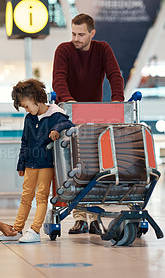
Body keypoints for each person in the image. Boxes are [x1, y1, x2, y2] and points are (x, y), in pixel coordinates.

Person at [52, 14, 125, 235]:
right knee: (74, 168)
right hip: (69, 115)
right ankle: (80, 218)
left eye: (81, 34)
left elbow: (114, 75)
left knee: (94, 167)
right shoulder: (63, 50)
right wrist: (69, 101)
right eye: (73, 33)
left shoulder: (102, 49)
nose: (76, 38)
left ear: (92, 33)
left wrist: (117, 101)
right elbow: (59, 79)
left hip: (94, 116)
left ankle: (93, 216)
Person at [0, 79, 74, 243]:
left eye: (26, 106)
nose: (26, 110)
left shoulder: (55, 114)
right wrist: (21, 163)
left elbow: (68, 123)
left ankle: (35, 230)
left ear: (36, 99)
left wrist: (56, 129)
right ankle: (17, 230)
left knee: (41, 197)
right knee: (25, 197)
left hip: (46, 164)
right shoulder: (29, 119)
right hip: (30, 163)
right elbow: (24, 141)